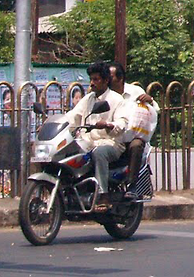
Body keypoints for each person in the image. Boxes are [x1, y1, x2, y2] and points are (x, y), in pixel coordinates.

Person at [63, 61, 124, 211]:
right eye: (91, 79)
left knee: (99, 153)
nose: (92, 83)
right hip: (87, 142)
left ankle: (103, 195)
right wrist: (56, 123)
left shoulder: (117, 100)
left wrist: (108, 125)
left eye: (96, 79)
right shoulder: (88, 99)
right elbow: (73, 116)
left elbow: (122, 124)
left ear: (106, 80)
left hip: (110, 143)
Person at [107, 62, 158, 198]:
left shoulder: (135, 91)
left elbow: (154, 111)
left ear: (120, 78)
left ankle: (132, 185)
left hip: (132, 136)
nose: (107, 79)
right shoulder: (106, 94)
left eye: (110, 76)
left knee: (136, 144)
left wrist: (150, 100)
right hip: (111, 137)